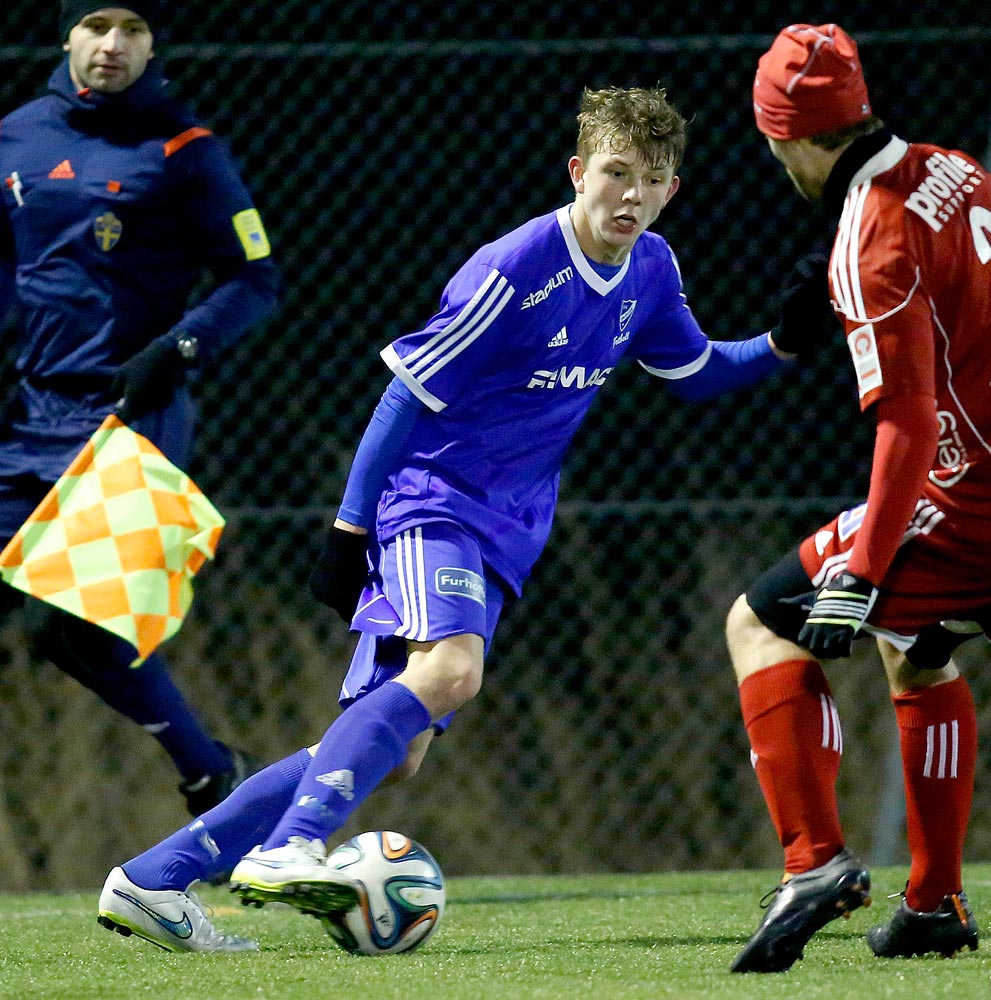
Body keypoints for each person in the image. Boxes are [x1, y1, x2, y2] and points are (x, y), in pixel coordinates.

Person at [95, 84, 834, 953]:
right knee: (451, 671)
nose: (631, 195)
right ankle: (292, 846)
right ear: (577, 172)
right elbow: (401, 394)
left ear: (672, 190)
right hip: (429, 501)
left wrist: (785, 342)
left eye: (654, 179)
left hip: (504, 530)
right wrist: (348, 529)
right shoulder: (515, 268)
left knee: (393, 745)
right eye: (616, 172)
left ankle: (155, 879)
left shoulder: (652, 270)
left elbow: (698, 371)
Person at [725, 23, 991, 972]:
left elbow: (902, 425)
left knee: (760, 623)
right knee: (921, 648)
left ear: (783, 133)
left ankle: (811, 863)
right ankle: (933, 904)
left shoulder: (871, 237)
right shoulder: (952, 168)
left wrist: (860, 573)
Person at [0, 2, 279, 815]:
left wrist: (179, 348)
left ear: (154, 42)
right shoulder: (16, 135)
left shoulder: (186, 149)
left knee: (71, 626)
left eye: (130, 29)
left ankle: (208, 774)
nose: (112, 45)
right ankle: (212, 772)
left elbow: (254, 281)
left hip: (132, 420)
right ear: (66, 36)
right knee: (54, 627)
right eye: (95, 25)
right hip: (30, 414)